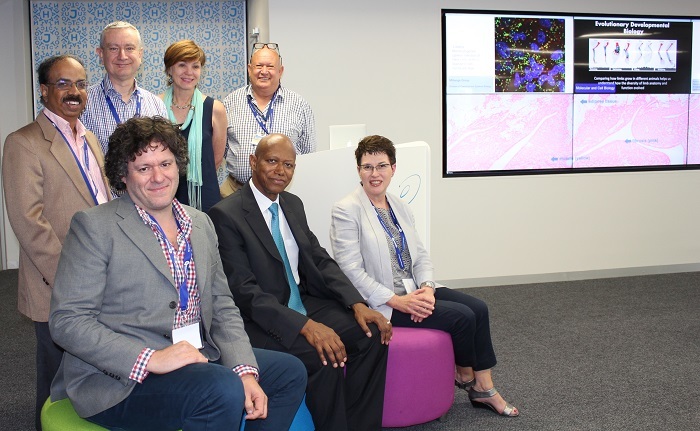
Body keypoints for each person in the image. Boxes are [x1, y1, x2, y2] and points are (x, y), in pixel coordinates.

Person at [48, 117, 306, 430]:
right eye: (144, 168)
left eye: (166, 164)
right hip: (122, 376)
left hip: (196, 356)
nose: (158, 177)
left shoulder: (200, 223)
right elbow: (68, 321)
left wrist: (245, 370)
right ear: (123, 175)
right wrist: (150, 358)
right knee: (220, 389)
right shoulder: (95, 227)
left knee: (289, 372)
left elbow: (222, 305)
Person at [208, 133, 392, 431]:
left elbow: (319, 259)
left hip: (304, 300)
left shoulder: (292, 204)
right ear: (253, 162)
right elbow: (246, 293)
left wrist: (357, 303)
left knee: (371, 334)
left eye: (289, 165)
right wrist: (307, 327)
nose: (281, 171)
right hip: (262, 318)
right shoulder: (225, 214)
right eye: (272, 161)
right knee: (322, 357)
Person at [330, 135, 520, 418]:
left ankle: (480, 383)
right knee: (462, 317)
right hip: (382, 300)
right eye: (367, 166)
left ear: (394, 168)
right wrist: (398, 302)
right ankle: (472, 381)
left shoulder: (400, 206)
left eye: (381, 165)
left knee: (479, 308)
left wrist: (428, 288)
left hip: (414, 288)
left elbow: (420, 256)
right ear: (358, 170)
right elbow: (349, 271)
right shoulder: (346, 209)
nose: (374, 173)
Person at [1, 54, 110, 431]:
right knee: (55, 379)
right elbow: (29, 223)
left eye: (80, 84)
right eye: (63, 84)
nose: (74, 92)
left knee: (89, 373)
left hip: (101, 274)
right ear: (44, 90)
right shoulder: (24, 143)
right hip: (58, 284)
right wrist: (73, 278)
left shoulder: (90, 138)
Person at [221, 42, 316, 196]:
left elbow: (307, 154)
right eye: (259, 66)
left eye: (270, 67)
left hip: (281, 195)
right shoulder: (229, 103)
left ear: (280, 71)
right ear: (249, 69)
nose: (264, 71)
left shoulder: (299, 105)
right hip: (235, 192)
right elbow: (222, 149)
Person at [159, 39, 227, 212]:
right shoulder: (154, 105)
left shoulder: (215, 109)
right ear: (169, 69)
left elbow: (216, 160)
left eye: (195, 66)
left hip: (203, 195)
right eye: (182, 65)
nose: (189, 72)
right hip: (163, 193)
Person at [82, 21, 167, 154]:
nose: (122, 56)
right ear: (101, 54)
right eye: (113, 48)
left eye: (129, 48)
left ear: (140, 54)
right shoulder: (83, 103)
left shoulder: (157, 105)